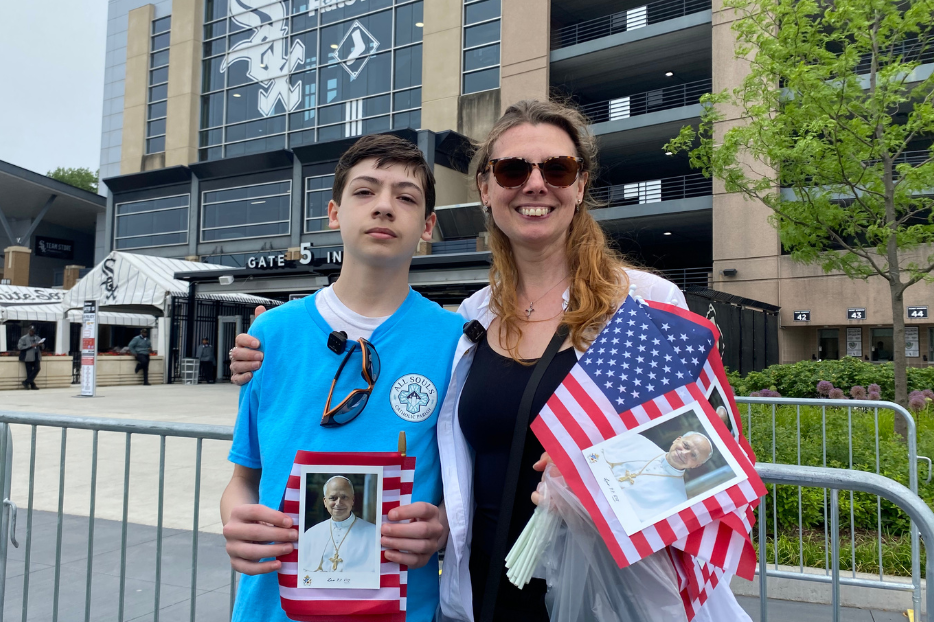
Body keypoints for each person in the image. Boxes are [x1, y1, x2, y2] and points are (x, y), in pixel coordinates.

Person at [231, 101, 751, 621]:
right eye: (512, 169)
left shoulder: (638, 303)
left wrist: (598, 472)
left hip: (601, 596)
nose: (535, 184)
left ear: (580, 184)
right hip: (482, 597)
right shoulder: (475, 318)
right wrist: (266, 347)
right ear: (485, 187)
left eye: (557, 169)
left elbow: (699, 461)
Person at [220, 134, 463, 622]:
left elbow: (465, 487)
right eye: (365, 191)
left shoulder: (455, 342)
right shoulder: (271, 334)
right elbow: (244, 479)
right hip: (274, 609)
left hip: (402, 611)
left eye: (406, 197)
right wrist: (235, 521)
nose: (385, 207)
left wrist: (442, 530)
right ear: (334, 213)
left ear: (428, 226)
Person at [604, 432, 712, 526]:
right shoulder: (638, 441)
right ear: (677, 439)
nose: (684, 453)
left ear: (696, 466)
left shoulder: (678, 502)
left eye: (693, 455)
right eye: (686, 445)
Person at [301, 476, 377, 574]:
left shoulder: (373, 534)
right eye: (333, 498)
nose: (338, 503)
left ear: (352, 500)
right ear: (325, 502)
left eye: (344, 497)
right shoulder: (311, 534)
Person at [17, 326, 43, 390]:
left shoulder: (37, 338)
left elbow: (43, 346)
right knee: (29, 371)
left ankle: (26, 382)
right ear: (28, 331)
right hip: (28, 356)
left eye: (33, 331)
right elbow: (20, 347)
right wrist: (30, 346)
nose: (32, 332)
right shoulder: (23, 338)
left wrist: (41, 344)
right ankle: (32, 385)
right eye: (31, 331)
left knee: (37, 368)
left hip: (36, 355)